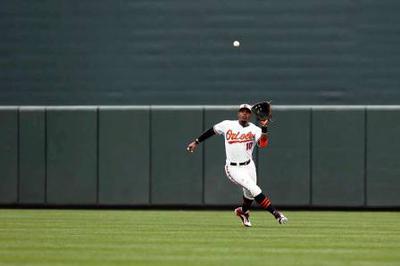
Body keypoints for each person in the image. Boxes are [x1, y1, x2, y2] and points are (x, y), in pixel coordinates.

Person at [186, 104, 288, 227]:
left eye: (247, 112)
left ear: (250, 115)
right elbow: (212, 131)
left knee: (249, 193)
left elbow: (263, 144)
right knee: (254, 189)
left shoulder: (255, 129)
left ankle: (243, 212)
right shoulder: (227, 124)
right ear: (238, 113)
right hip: (233, 168)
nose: (244, 113)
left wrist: (264, 128)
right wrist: (196, 142)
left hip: (249, 165)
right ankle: (276, 214)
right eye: (242, 111)